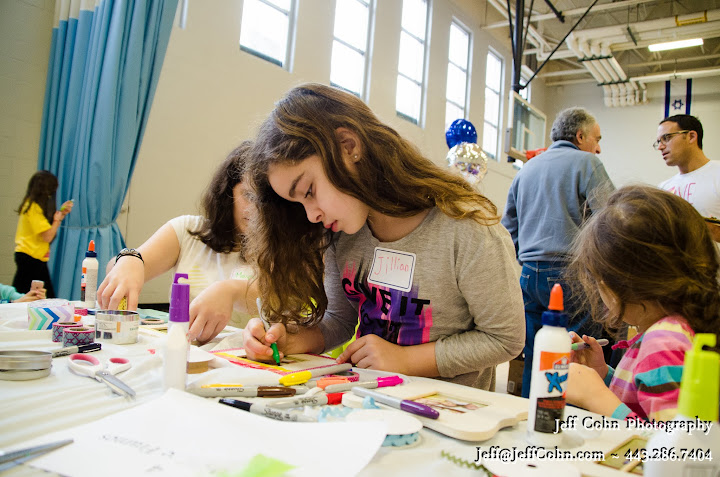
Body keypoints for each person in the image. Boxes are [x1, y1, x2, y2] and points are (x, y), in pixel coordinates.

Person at [242, 83, 525, 390]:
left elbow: (505, 338)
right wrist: (290, 339)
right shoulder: (343, 234)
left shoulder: (467, 229)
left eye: (309, 191)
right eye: (299, 203)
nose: (311, 215)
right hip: (366, 401)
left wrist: (406, 360)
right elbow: (340, 320)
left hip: (447, 410)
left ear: (348, 146)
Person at [566, 185, 720, 421]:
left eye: (598, 280)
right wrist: (603, 375)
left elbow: (675, 441)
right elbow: (643, 401)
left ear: (620, 283)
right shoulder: (668, 331)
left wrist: (595, 397)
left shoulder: (662, 343)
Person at [501, 107, 615, 398]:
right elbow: (610, 220)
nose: (598, 148)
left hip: (529, 276)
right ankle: (565, 419)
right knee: (575, 355)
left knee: (535, 354)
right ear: (580, 136)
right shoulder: (588, 163)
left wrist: (527, 258)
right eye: (597, 139)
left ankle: (530, 414)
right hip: (572, 274)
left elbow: (508, 228)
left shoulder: (526, 169)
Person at [97, 142, 258, 342]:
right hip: (183, 351)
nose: (256, 209)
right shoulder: (189, 231)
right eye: (248, 195)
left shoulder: (284, 250)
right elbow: (117, 268)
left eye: (266, 201)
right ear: (228, 192)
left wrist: (231, 291)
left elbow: (277, 299)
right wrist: (129, 260)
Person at [656, 114, 720, 242]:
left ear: (691, 136)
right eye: (658, 142)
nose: (660, 147)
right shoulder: (663, 189)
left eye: (667, 138)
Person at [13, 170, 73, 298]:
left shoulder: (33, 207)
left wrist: (60, 214)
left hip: (35, 258)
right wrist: (57, 220)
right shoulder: (33, 208)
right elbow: (47, 236)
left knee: (36, 296)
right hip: (30, 257)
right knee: (29, 296)